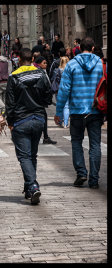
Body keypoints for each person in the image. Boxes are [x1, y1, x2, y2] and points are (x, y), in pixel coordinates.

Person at [54, 37, 104, 189]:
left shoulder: (72, 64)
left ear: (79, 48)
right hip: (95, 110)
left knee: (76, 142)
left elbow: (64, 90)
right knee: (95, 145)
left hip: (76, 111)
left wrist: (59, 112)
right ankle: (94, 179)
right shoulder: (101, 64)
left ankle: (81, 173)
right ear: (93, 48)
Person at [5, 48, 53, 205]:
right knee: (32, 155)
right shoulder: (41, 75)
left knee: (24, 156)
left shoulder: (14, 77)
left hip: (21, 120)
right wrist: (41, 104)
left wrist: (10, 121)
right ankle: (29, 187)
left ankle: (32, 185)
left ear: (19, 59)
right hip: (38, 119)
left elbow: (10, 103)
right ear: (33, 58)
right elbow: (48, 95)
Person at [34, 56, 57, 144]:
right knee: (42, 117)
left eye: (46, 63)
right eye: (44, 63)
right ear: (39, 64)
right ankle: (44, 137)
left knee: (43, 117)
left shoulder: (43, 71)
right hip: (39, 101)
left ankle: (45, 137)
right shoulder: (39, 72)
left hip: (40, 100)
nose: (46, 65)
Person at [52, 56, 70, 128]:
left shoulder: (57, 70)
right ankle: (66, 123)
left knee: (60, 105)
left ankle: (60, 121)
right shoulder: (69, 69)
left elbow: (54, 79)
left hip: (59, 89)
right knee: (66, 106)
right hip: (68, 88)